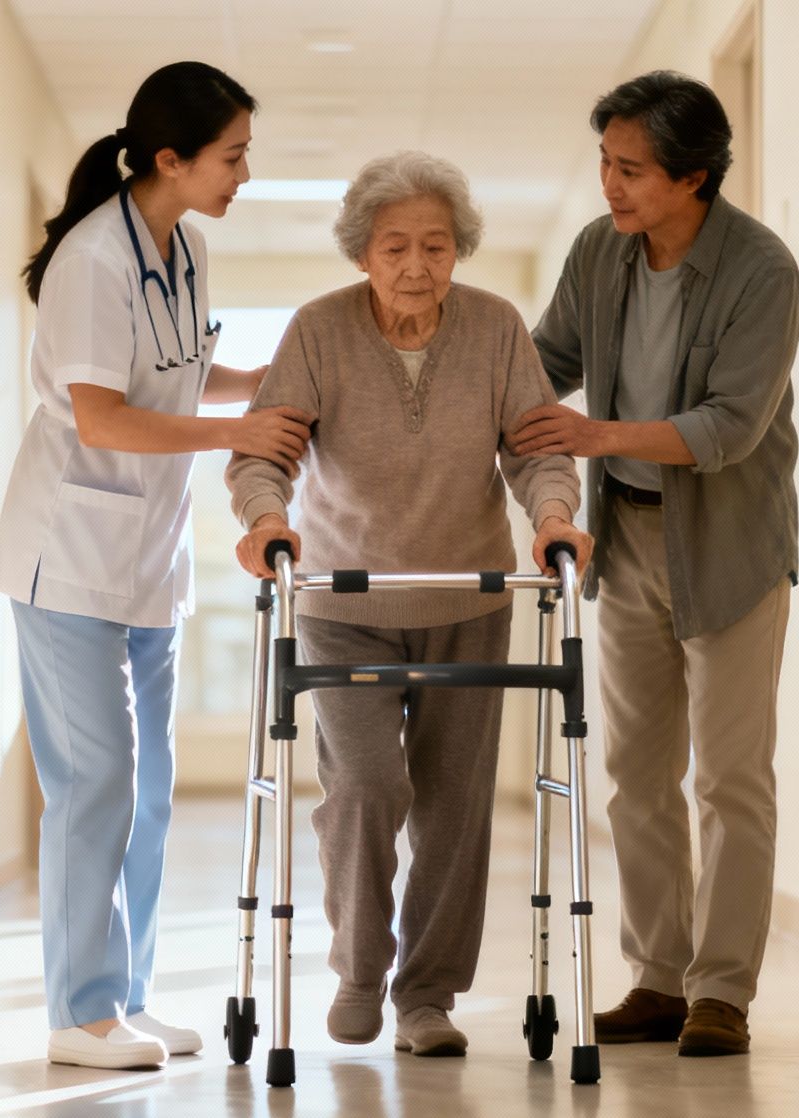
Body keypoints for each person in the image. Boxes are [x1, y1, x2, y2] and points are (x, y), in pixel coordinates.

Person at [0, 61, 315, 1071]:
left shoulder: (184, 246)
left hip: (145, 561)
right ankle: (77, 1015)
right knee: (97, 783)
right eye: (232, 155)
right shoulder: (93, 258)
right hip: (70, 558)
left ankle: (125, 998)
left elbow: (170, 364)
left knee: (150, 788)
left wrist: (260, 378)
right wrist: (237, 430)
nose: (243, 172)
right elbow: (102, 413)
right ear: (170, 158)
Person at [228, 151, 589, 1059]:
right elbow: (262, 454)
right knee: (367, 785)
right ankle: (359, 967)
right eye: (397, 246)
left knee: (456, 806)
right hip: (343, 601)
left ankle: (426, 997)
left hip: (468, 598)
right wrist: (267, 522)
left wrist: (552, 519)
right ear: (363, 253)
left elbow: (537, 448)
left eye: (436, 245)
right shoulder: (318, 332)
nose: (418, 265)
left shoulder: (498, 329)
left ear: (460, 250)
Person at [513, 70, 799, 1058]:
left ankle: (720, 990)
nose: (609, 184)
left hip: (726, 550)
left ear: (691, 177)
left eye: (629, 168)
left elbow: (727, 427)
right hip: (628, 538)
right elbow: (545, 360)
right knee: (635, 776)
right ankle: (657, 978)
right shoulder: (600, 253)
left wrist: (593, 437)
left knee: (728, 779)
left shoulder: (760, 272)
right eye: (603, 162)